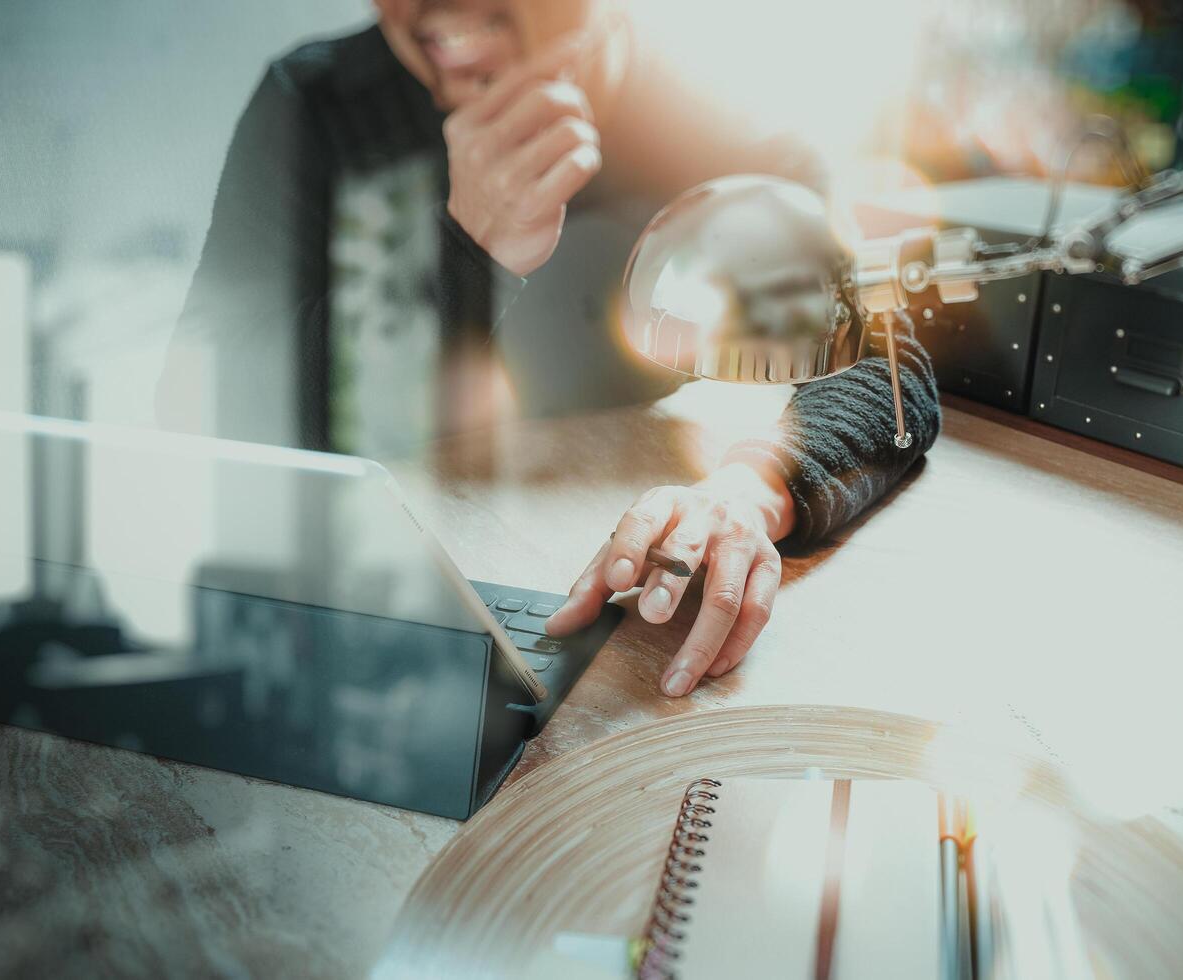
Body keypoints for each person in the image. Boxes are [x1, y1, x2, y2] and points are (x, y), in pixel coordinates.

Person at [160, 0, 941, 698]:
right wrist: (465, 248)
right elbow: (201, 404)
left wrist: (753, 487)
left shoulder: (708, 111)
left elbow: (888, 362)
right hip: (376, 604)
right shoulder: (319, 100)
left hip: (608, 598)